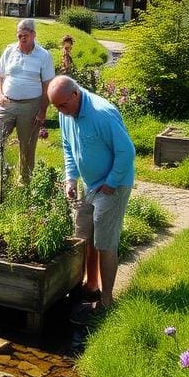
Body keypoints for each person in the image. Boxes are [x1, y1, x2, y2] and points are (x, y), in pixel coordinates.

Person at [48, 75, 135, 312]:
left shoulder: (102, 113)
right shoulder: (65, 111)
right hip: (90, 184)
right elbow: (68, 146)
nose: (60, 111)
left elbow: (127, 152)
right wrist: (71, 178)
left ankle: (106, 301)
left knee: (105, 242)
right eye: (55, 106)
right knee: (84, 235)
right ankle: (90, 286)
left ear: (75, 95)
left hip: (112, 185)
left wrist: (112, 182)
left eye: (62, 105)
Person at [0, 19, 55, 195]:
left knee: (27, 146)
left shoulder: (44, 56)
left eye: (25, 35)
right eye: (19, 35)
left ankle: (24, 185)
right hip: (6, 104)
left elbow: (47, 87)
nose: (22, 39)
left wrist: (43, 111)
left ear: (34, 35)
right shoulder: (9, 51)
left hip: (31, 106)